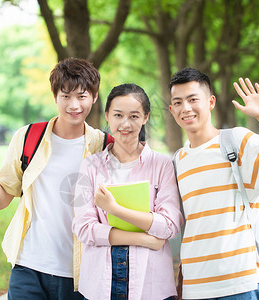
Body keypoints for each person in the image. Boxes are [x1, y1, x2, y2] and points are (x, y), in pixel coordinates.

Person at [0, 58, 112, 299]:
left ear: (95, 97)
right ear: (55, 97)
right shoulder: (28, 137)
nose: (74, 104)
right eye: (65, 96)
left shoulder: (104, 146)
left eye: (82, 96)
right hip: (28, 268)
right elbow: (2, 199)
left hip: (82, 274)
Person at [168, 68, 259, 299]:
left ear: (210, 102)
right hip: (194, 285)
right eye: (178, 102)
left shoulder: (235, 142)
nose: (186, 108)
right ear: (172, 110)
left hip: (238, 282)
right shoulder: (178, 160)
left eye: (193, 99)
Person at [72, 83, 183, 300]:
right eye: (118, 115)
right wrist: (145, 239)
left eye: (134, 116)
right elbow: (83, 228)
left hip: (150, 283)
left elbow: (169, 225)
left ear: (145, 117)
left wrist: (113, 209)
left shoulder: (162, 165)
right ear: (107, 116)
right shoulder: (91, 166)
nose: (125, 124)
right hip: (100, 284)